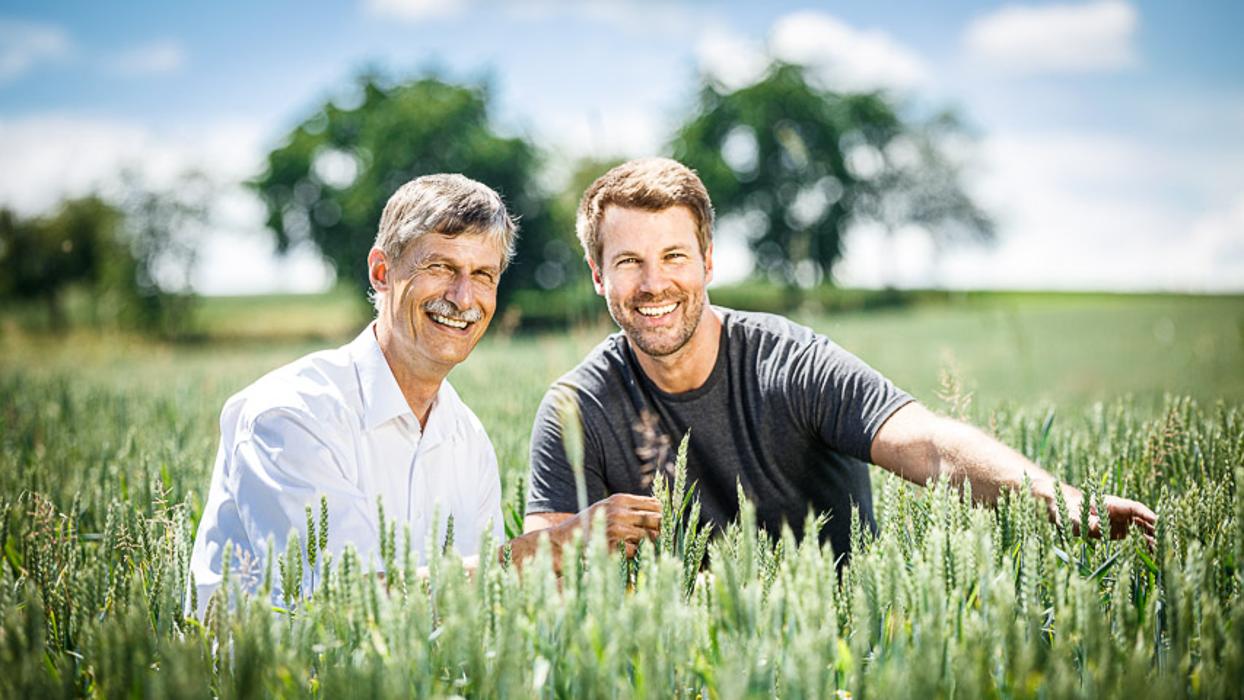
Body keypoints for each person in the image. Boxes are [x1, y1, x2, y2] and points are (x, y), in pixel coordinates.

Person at [523, 157, 1156, 563]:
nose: (653, 284)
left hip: (843, 651)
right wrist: (568, 541)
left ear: (709, 261)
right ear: (598, 276)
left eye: (674, 257)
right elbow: (541, 563)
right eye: (629, 262)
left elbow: (927, 443)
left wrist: (1059, 500)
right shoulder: (575, 409)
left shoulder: (791, 363)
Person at [189, 173, 607, 615]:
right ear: (382, 271)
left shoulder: (468, 438)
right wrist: (534, 554)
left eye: (483, 274)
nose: (463, 297)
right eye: (440, 267)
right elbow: (345, 606)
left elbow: (476, 607)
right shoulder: (290, 415)